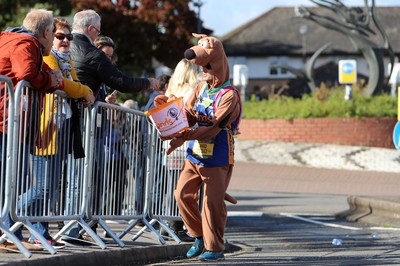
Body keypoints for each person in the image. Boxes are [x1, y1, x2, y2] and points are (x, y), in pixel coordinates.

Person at [62, 9, 159, 242]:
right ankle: (73, 228)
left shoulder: (66, 48)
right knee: (82, 177)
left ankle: (79, 226)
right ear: (92, 30)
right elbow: (121, 81)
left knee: (81, 177)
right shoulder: (91, 53)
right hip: (82, 123)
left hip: (70, 120)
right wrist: (148, 83)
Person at [154, 33, 242, 261]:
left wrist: (185, 135)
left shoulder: (229, 95)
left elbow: (214, 126)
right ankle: (198, 235)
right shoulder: (201, 89)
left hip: (218, 154)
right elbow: (189, 115)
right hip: (195, 154)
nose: (203, 71)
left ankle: (215, 247)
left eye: (208, 66)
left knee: (212, 204)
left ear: (218, 63)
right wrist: (169, 110)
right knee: (181, 194)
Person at [15, 17, 96, 249]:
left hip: (61, 129)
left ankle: (39, 232)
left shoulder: (67, 60)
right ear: (50, 35)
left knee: (50, 187)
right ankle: (10, 213)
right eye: (60, 36)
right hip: (44, 128)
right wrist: (84, 90)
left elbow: (75, 84)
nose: (65, 41)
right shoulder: (48, 56)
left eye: (69, 37)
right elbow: (67, 87)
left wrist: (82, 90)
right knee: (43, 187)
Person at [0, 8, 63, 252]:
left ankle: (10, 232)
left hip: (12, 121)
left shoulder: (12, 39)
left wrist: (51, 76)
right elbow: (26, 73)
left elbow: (36, 70)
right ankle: (7, 233)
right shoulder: (26, 43)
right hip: (9, 121)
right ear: (47, 32)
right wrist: (49, 80)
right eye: (54, 34)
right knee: (11, 180)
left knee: (12, 180)